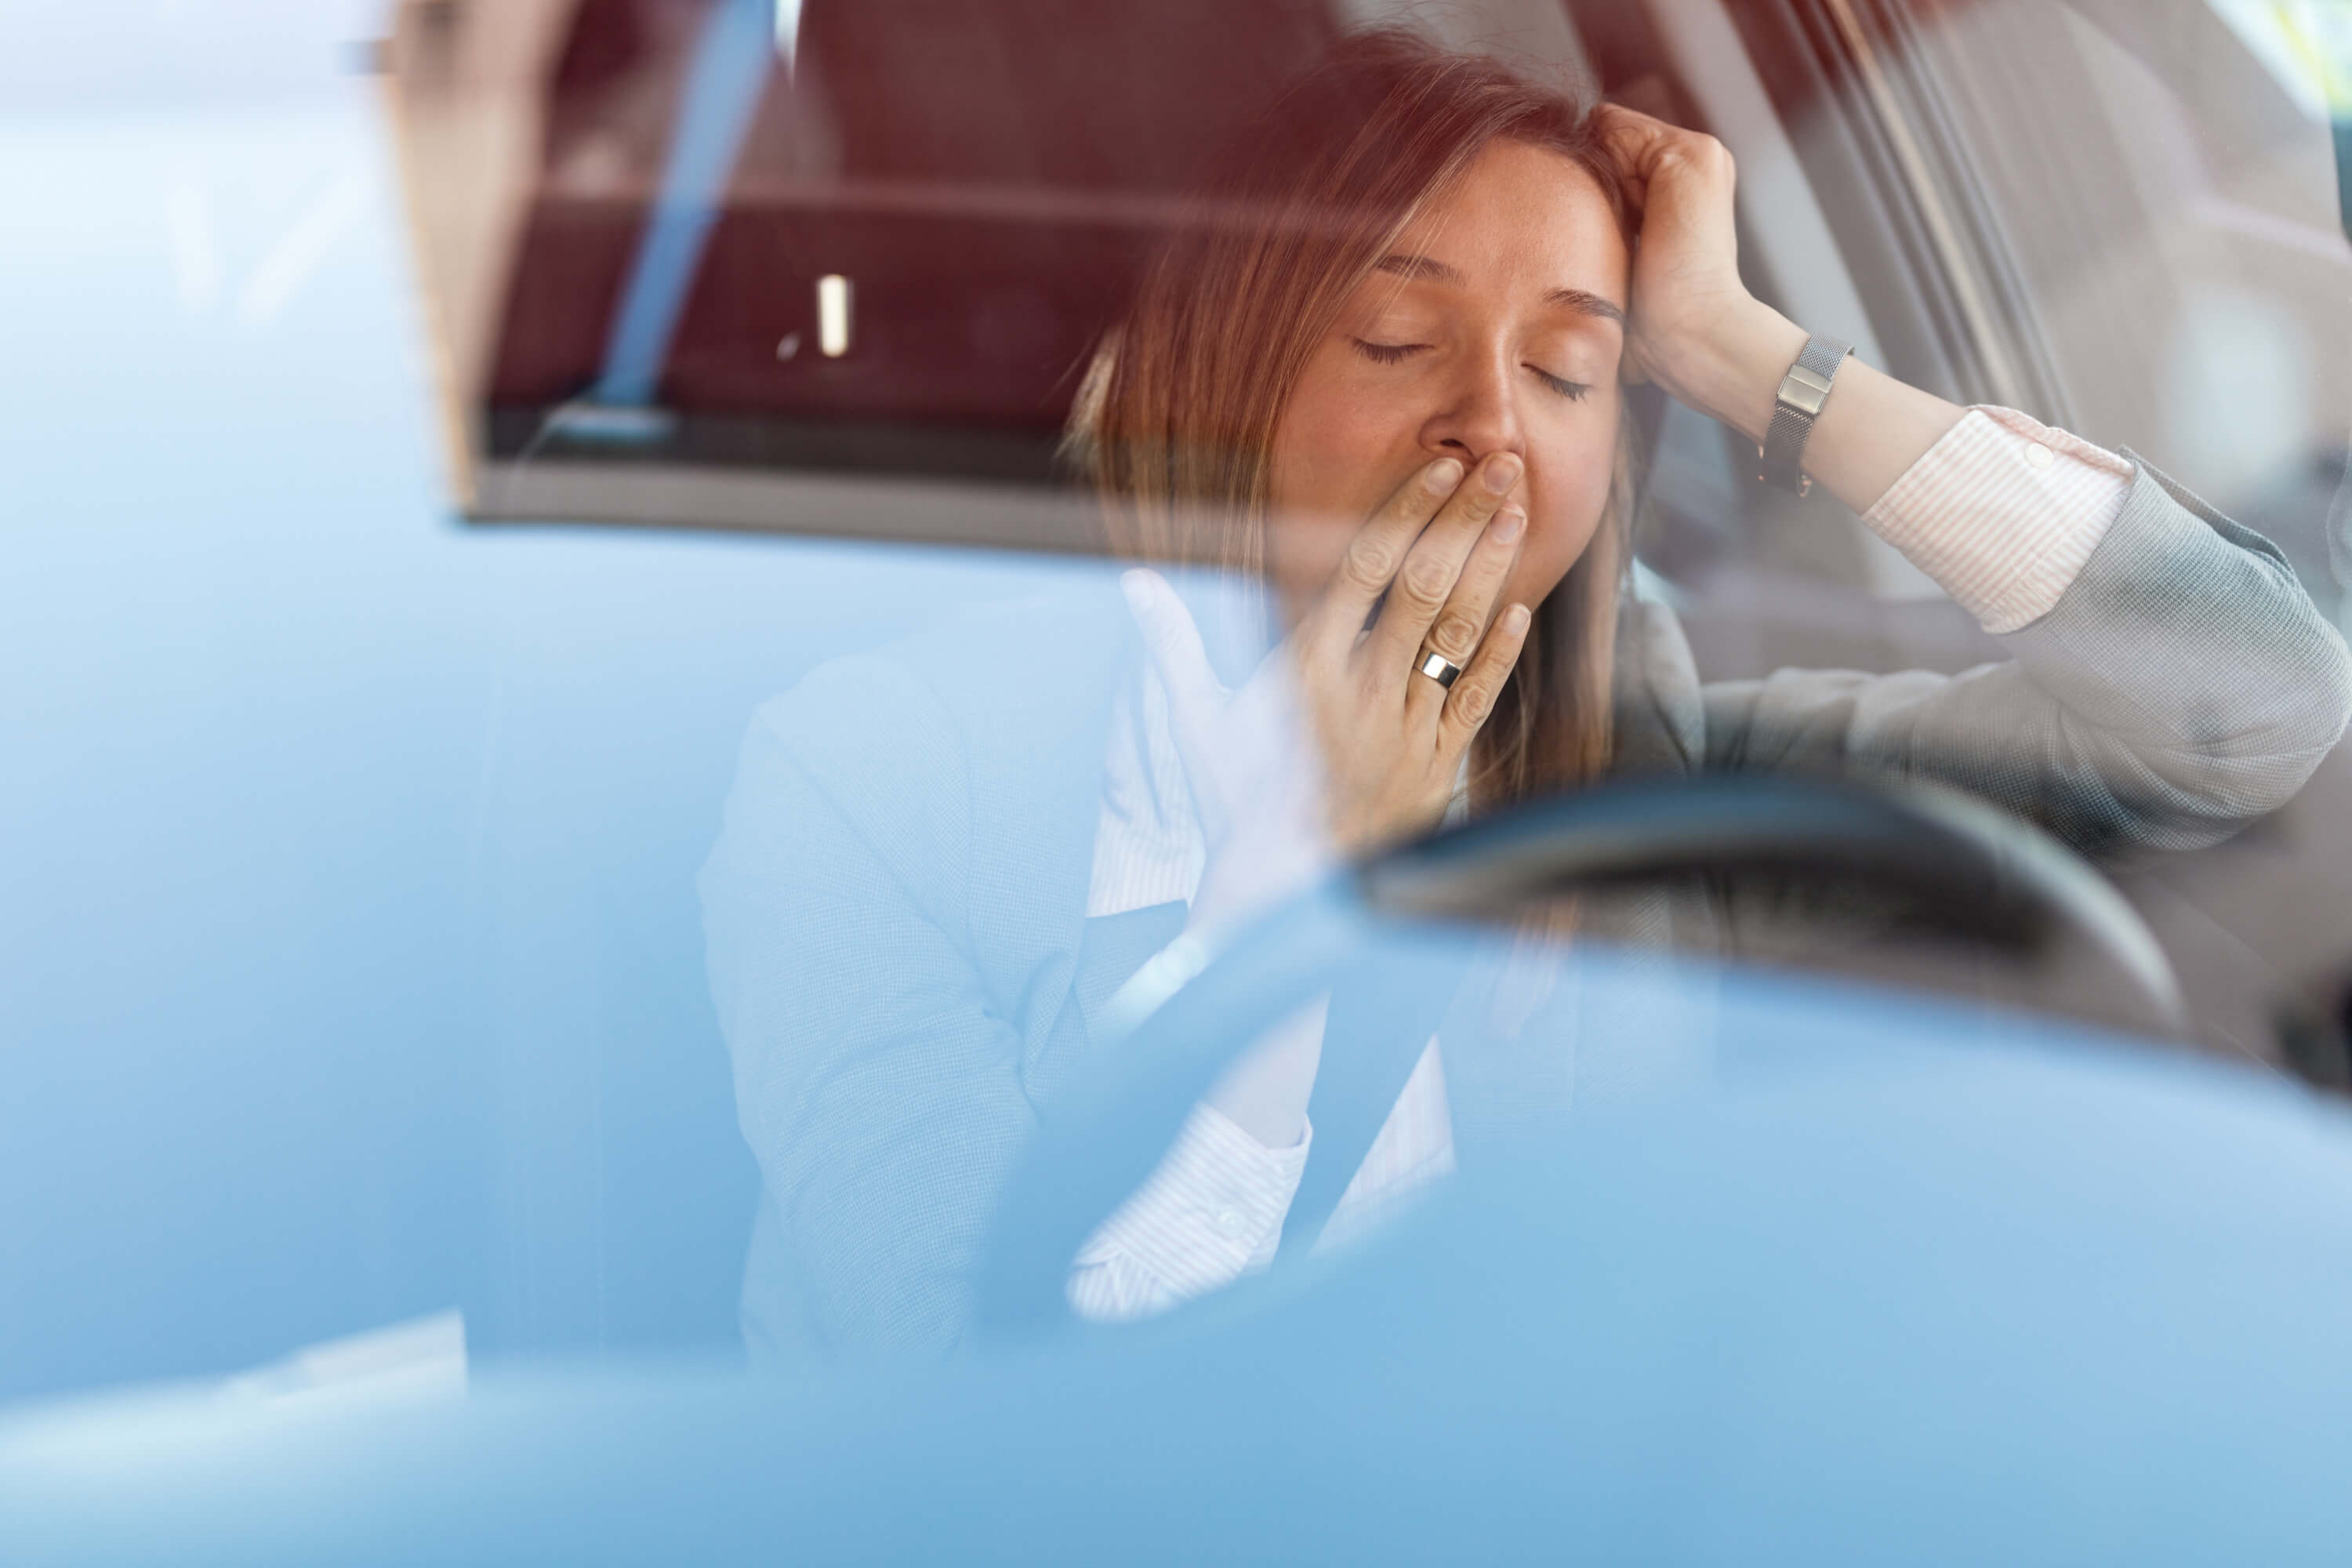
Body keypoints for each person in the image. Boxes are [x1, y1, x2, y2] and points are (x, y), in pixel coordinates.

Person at [699, 33, 2352, 1359]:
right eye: (1397, 342)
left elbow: (2246, 709)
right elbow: (982, 1409)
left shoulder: (1629, 742)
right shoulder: (871, 786)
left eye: (1568, 371)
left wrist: (1742, 356)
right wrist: (1282, 896)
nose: (1493, 428)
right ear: (1220, 380)